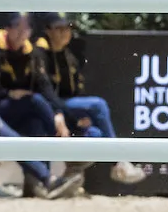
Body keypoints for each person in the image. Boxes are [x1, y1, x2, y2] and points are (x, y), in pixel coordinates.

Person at [0, 11, 81, 198]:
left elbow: (43, 85)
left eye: (26, 28)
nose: (22, 32)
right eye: (18, 27)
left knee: (34, 123)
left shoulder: (15, 51)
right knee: (15, 112)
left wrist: (58, 113)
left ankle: (38, 183)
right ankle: (53, 172)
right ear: (8, 29)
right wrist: (8, 93)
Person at [36, 14, 146, 184]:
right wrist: (65, 115)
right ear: (48, 31)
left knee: (95, 134)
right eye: (59, 28)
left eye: (67, 28)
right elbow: (47, 93)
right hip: (48, 109)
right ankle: (118, 163)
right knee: (98, 105)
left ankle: (69, 175)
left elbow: (74, 92)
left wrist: (77, 117)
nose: (64, 33)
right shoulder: (40, 54)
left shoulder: (68, 56)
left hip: (66, 110)